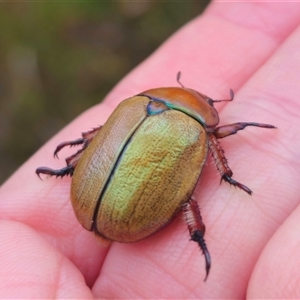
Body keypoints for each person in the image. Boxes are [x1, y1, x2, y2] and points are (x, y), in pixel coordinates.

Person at [0, 2, 299, 298]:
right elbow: (216, 140)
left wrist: (81, 146)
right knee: (186, 198)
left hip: (94, 199)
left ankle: (69, 166)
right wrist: (230, 167)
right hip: (126, 214)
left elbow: (99, 135)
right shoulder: (200, 132)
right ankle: (198, 235)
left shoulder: (134, 105)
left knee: (109, 146)